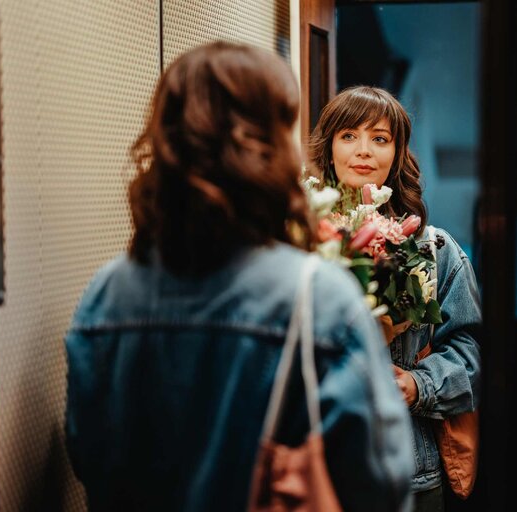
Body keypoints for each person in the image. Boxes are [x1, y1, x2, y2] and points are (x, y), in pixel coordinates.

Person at [64, 43, 415, 511]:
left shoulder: (106, 294)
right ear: (269, 144)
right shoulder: (319, 297)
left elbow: (89, 457)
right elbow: (380, 485)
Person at [308, 86, 481, 512]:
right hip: (312, 464)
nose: (363, 151)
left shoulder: (435, 249)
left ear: (397, 152)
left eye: (380, 138)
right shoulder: (298, 241)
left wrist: (416, 384)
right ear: (329, 150)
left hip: (408, 468)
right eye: (348, 136)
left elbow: (470, 354)